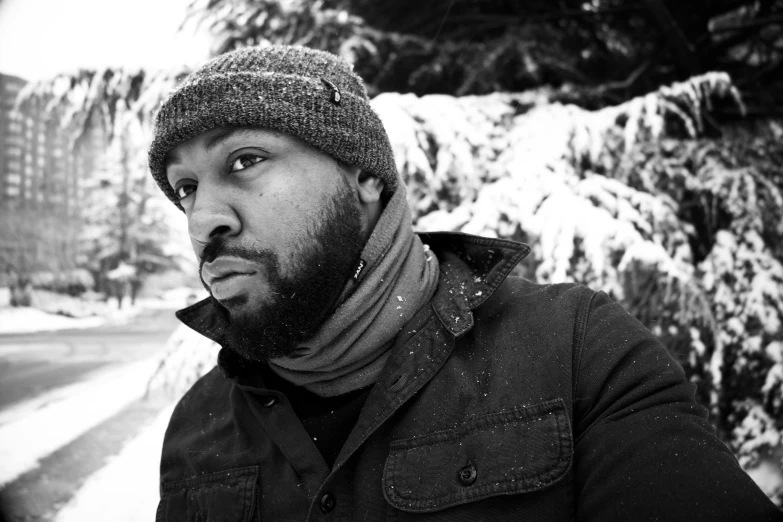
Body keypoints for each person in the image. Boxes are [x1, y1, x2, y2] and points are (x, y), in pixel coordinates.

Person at [148, 45, 782, 521]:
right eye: (187, 188)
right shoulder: (198, 426)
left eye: (246, 160)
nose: (204, 219)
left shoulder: (575, 352)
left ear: (365, 177)